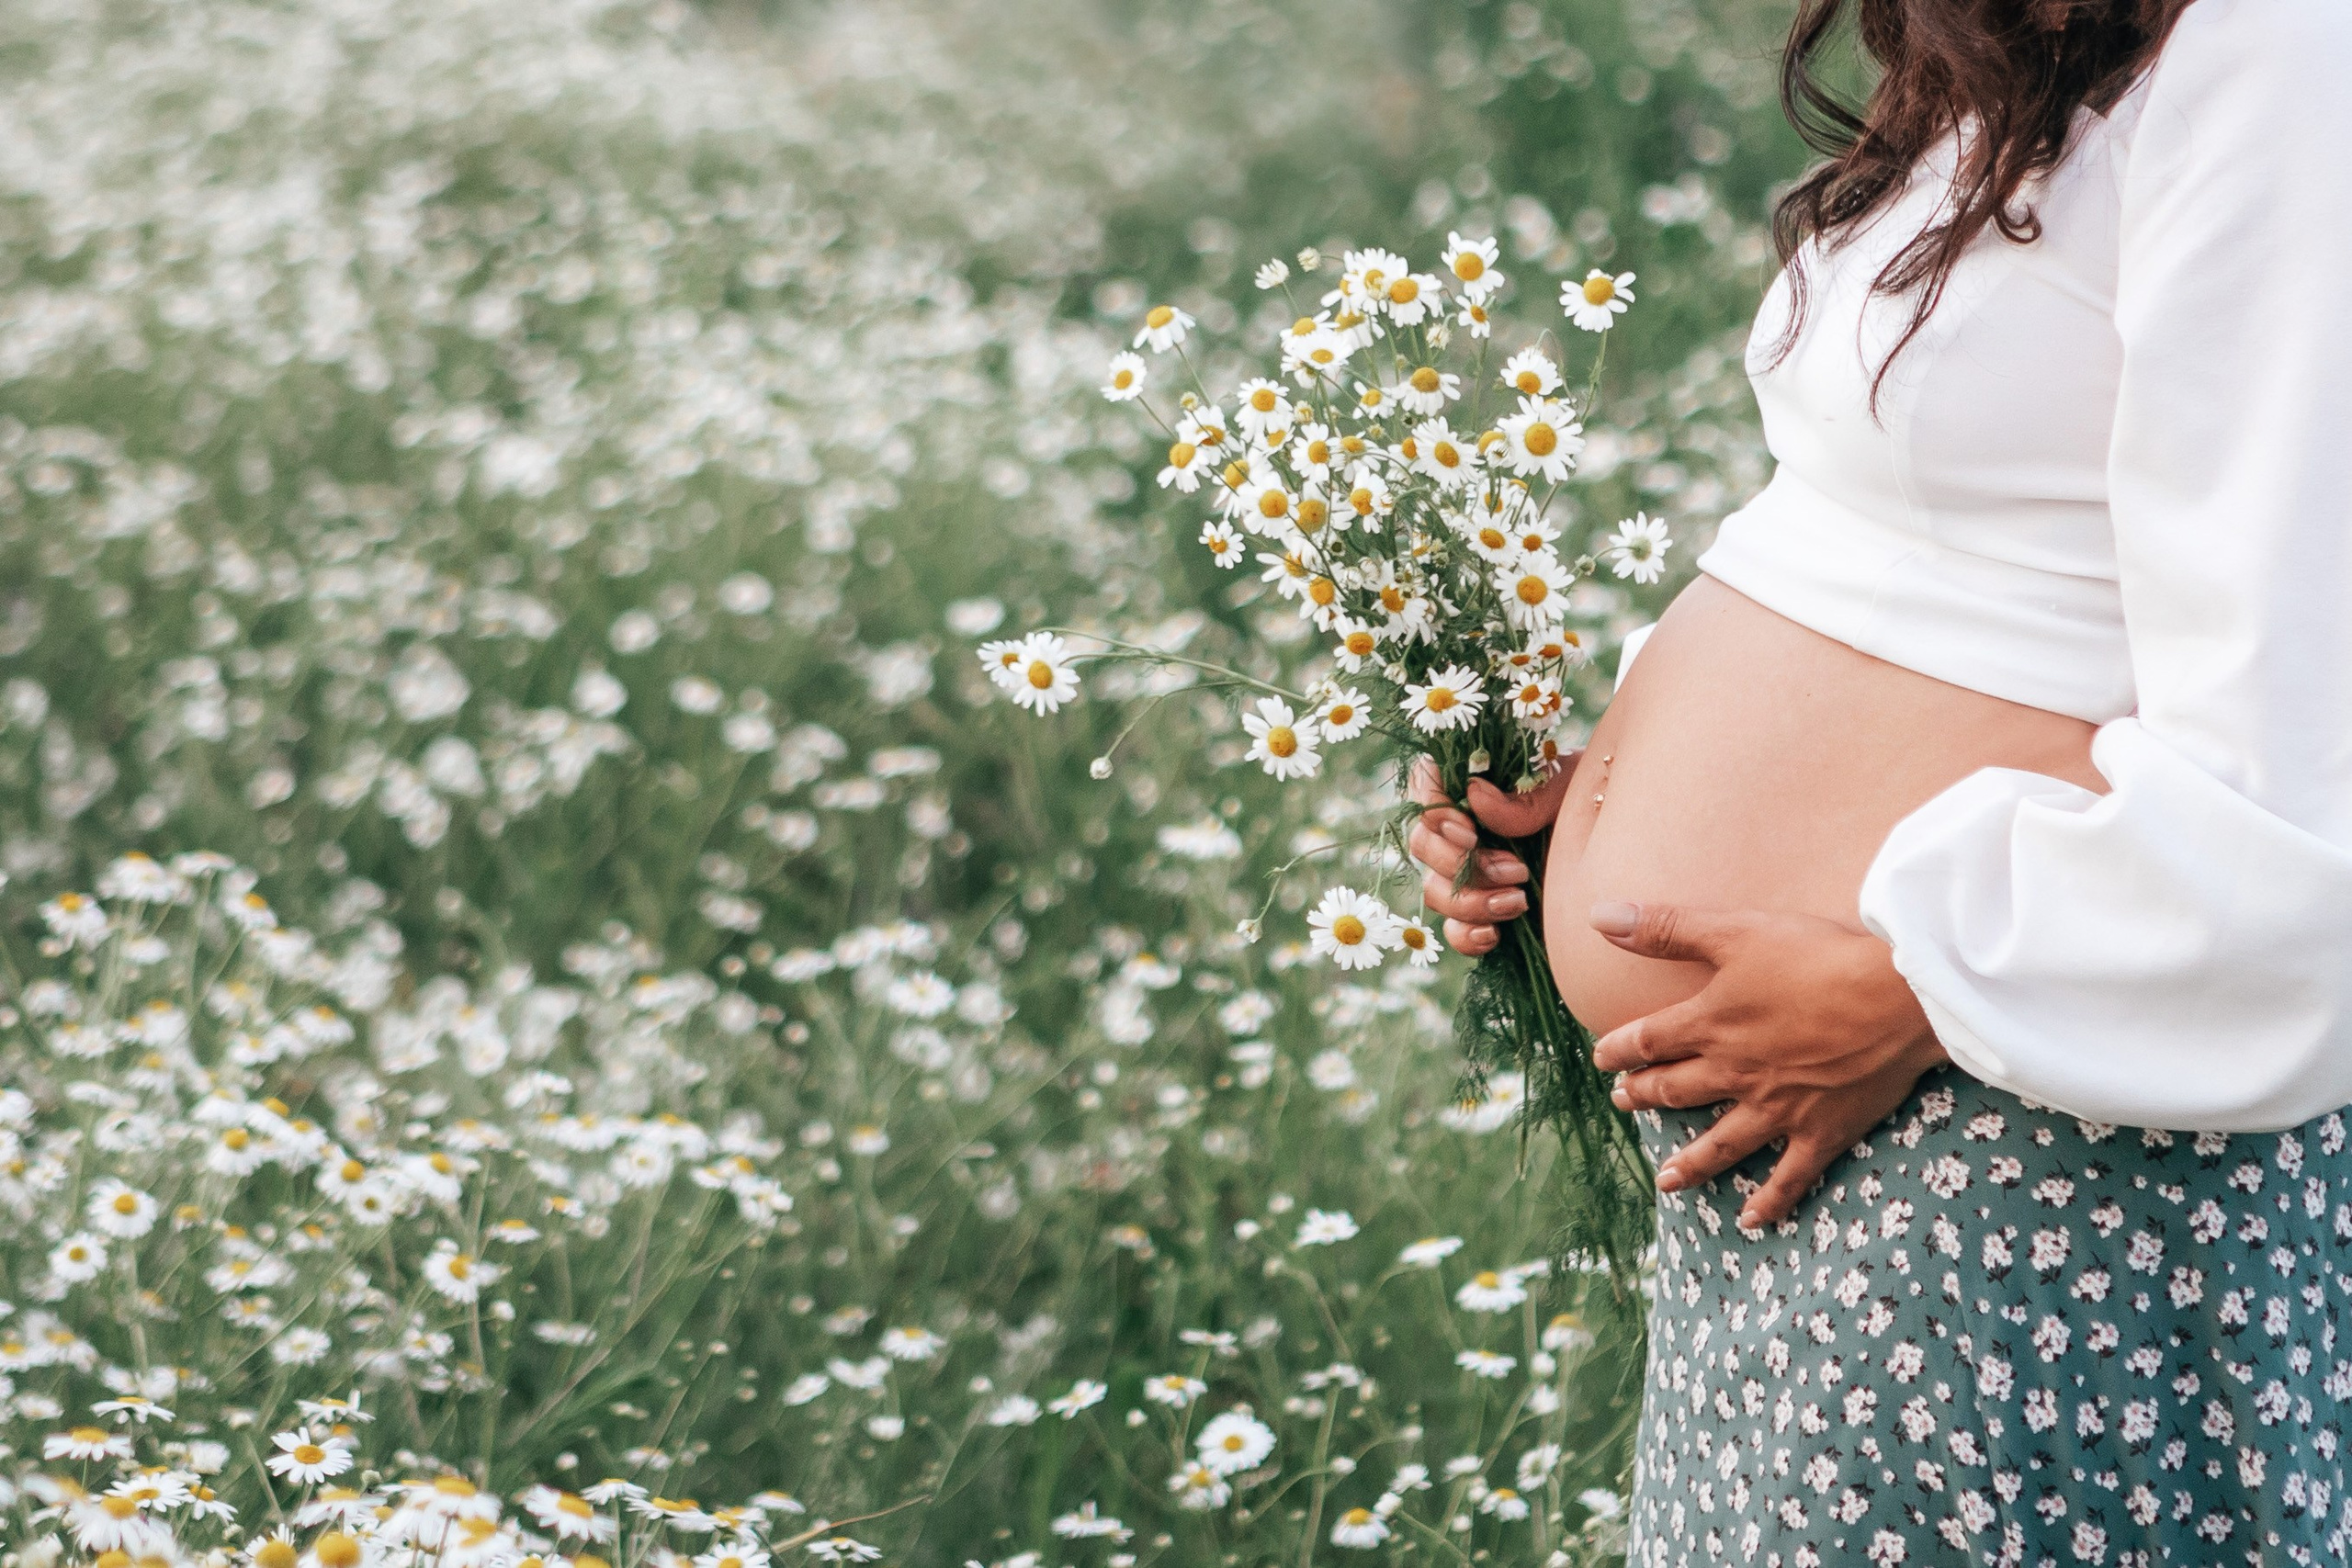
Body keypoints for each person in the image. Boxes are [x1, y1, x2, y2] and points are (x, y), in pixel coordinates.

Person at [1407, 0, 2352, 1559]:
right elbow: (1917, 543)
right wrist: (1599, 802)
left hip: (2022, 1138)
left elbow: (2307, 726)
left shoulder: (2281, 49)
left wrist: (1924, 978)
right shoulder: (2018, 52)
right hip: (1838, 1148)